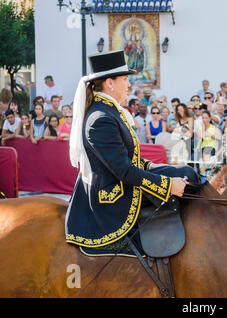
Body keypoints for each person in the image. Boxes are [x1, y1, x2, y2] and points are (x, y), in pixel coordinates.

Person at [65, 50, 200, 249]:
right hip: (112, 194)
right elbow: (123, 171)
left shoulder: (109, 111)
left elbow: (128, 158)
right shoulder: (100, 119)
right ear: (110, 83)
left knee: (187, 173)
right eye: (125, 79)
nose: (129, 84)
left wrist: (154, 166)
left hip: (123, 180)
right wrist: (167, 186)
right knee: (184, 181)